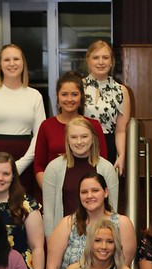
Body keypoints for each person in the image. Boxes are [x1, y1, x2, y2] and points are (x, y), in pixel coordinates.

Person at [45, 171, 136, 269]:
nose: (89, 196)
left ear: (106, 192)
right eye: (84, 192)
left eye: (95, 190)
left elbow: (122, 268)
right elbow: (52, 267)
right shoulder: (68, 224)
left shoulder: (122, 224)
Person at [0, 43, 46, 197]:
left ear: (23, 64)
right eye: (7, 60)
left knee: (23, 209)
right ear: (0, 64)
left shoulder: (35, 96)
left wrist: (19, 165)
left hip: (24, 160)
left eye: (16, 59)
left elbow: (40, 135)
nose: (12, 64)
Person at [42, 116, 118, 236]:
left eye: (84, 136)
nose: (79, 142)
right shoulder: (53, 168)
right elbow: (49, 215)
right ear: (67, 140)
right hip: (64, 238)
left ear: (92, 138)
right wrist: (52, 244)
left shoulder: (107, 169)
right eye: (73, 137)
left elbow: (113, 211)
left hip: (98, 238)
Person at [34, 71, 107, 187]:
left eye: (74, 94)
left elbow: (103, 162)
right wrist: (49, 191)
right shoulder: (46, 126)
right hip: (54, 188)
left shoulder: (93, 125)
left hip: (88, 192)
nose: (69, 99)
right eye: (64, 94)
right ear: (57, 96)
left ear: (81, 96)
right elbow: (39, 165)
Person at [82, 40, 131, 175]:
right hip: (80, 143)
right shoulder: (77, 87)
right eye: (96, 57)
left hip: (108, 145)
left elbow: (121, 131)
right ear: (88, 61)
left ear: (111, 62)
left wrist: (121, 156)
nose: (101, 62)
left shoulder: (121, 91)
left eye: (105, 57)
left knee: (105, 189)